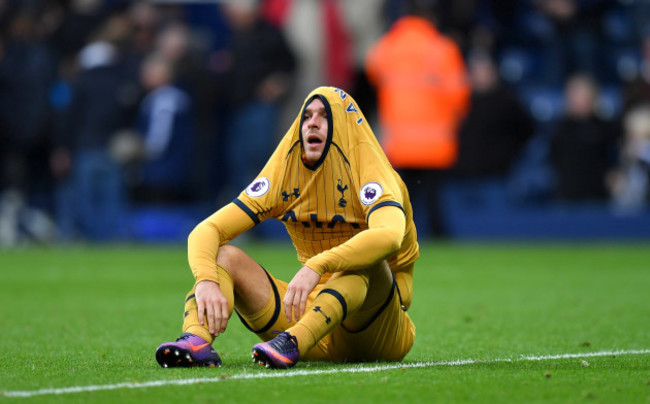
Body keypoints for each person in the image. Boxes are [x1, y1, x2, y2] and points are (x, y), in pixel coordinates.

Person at [155, 86, 418, 369]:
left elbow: (389, 237)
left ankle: (293, 342)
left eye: (323, 117)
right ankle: (196, 340)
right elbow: (207, 230)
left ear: (343, 125)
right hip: (311, 313)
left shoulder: (370, 168)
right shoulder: (286, 169)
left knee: (366, 263)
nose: (312, 123)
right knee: (223, 257)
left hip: (377, 329)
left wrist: (317, 265)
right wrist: (206, 279)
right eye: (306, 116)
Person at [365, 0, 470, 237]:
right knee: (434, 196)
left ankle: (395, 238)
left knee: (403, 196)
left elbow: (373, 73)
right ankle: (438, 235)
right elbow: (459, 95)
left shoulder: (387, 46)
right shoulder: (443, 48)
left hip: (400, 138)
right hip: (435, 139)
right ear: (430, 17)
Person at [550, 73, 620, 202]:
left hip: (599, 199)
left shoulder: (607, 128)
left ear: (593, 97)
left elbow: (617, 160)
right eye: (572, 94)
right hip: (565, 199)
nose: (576, 99)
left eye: (581, 94)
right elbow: (550, 162)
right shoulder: (557, 130)